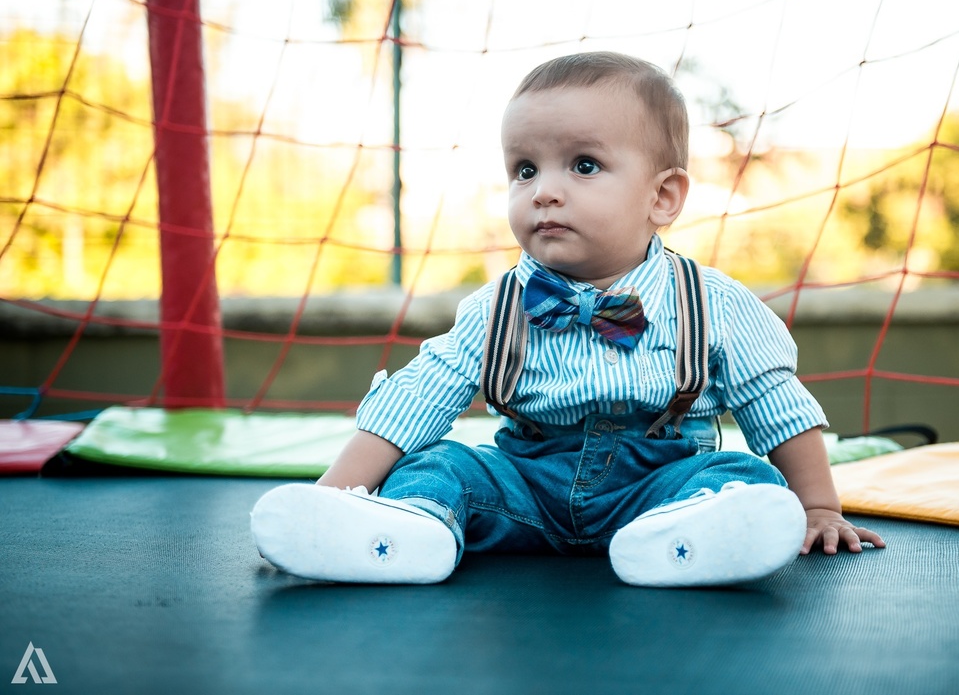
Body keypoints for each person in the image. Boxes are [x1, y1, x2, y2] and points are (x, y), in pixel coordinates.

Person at [251, 51, 884, 587]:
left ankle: (685, 541)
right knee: (439, 466)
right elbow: (414, 403)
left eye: (583, 165)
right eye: (524, 170)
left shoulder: (711, 303)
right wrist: (333, 496)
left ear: (662, 197)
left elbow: (775, 402)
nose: (543, 190)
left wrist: (817, 506)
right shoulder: (495, 308)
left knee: (737, 474)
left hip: (657, 484)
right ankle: (407, 535)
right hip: (525, 490)